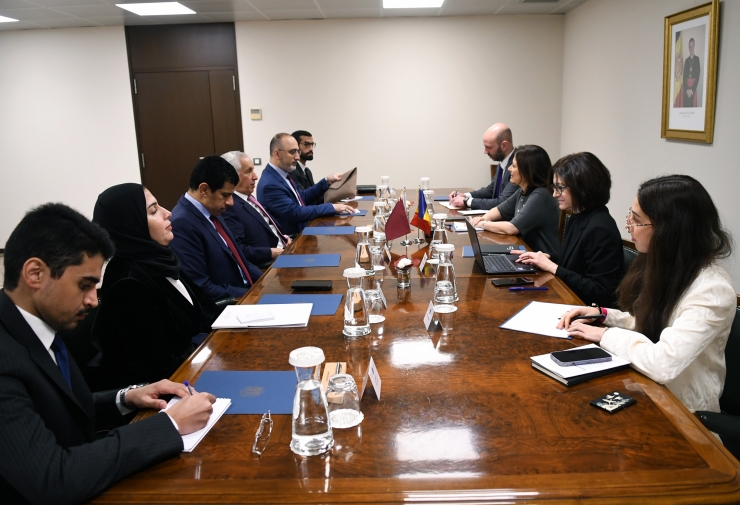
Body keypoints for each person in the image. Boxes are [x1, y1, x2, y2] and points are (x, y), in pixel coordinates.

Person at [0, 203, 216, 504]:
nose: (92, 301)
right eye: (84, 285)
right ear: (35, 273)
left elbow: (59, 406)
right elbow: (53, 478)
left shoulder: (38, 326)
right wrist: (170, 424)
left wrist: (128, 396)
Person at [559, 175, 735, 414]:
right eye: (630, 215)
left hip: (685, 414)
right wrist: (603, 315)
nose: (628, 225)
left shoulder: (712, 289)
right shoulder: (668, 264)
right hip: (646, 388)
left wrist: (604, 335)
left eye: (637, 219)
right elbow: (653, 322)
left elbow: (664, 362)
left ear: (669, 229)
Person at [91, 183, 217, 390]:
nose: (167, 213)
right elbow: (161, 369)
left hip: (194, 361)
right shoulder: (127, 283)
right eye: (153, 211)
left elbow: (204, 306)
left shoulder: (160, 257)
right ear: (131, 224)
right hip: (170, 388)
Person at [514, 152, 623, 308]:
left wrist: (552, 266)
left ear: (583, 187)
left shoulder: (600, 228)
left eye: (560, 188)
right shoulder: (578, 215)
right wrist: (544, 258)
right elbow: (574, 261)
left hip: (586, 312)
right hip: (570, 300)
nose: (554, 194)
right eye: (554, 187)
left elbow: (600, 293)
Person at [170, 156, 263, 301]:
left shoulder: (212, 209)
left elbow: (239, 259)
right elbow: (201, 286)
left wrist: (264, 281)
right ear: (204, 190)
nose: (231, 202)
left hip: (247, 291)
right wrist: (251, 294)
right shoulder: (182, 224)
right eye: (226, 195)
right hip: (231, 305)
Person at [256, 133, 355, 236]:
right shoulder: (270, 184)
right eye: (293, 152)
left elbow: (302, 197)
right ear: (277, 154)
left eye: (298, 151)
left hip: (304, 232)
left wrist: (326, 181)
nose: (298, 157)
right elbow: (295, 213)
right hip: (293, 242)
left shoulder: (282, 174)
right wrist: (332, 207)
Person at [470, 145, 559, 255]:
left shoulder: (541, 195)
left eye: (514, 166)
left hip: (543, 260)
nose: (509, 169)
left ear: (527, 170)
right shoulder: (523, 190)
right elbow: (500, 210)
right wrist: (482, 218)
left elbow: (512, 228)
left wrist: (483, 224)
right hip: (526, 252)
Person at [221, 151, 291, 266]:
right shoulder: (230, 206)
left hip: (284, 250)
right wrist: (270, 253)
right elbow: (238, 249)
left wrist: (284, 238)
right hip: (269, 265)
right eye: (249, 171)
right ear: (231, 177)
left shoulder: (248, 198)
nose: (255, 176)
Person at [449, 123, 518, 210]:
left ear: (504, 145)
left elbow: (503, 202)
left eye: (489, 147)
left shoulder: (519, 165)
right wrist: (465, 195)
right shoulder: (503, 161)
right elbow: (491, 189)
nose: (485, 151)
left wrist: (467, 201)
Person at [682, 37, 701, 108]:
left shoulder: (697, 59)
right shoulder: (686, 61)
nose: (691, 48)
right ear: (688, 47)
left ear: (694, 46)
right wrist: (687, 90)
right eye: (690, 46)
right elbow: (684, 76)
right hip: (686, 89)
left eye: (692, 46)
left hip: (693, 89)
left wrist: (692, 90)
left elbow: (698, 76)